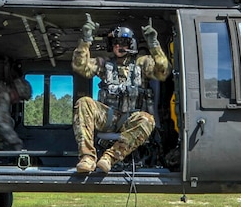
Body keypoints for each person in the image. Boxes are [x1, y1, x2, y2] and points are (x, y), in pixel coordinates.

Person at [71, 16, 169, 174]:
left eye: (123, 43)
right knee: (84, 102)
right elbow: (80, 65)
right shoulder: (104, 65)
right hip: (108, 117)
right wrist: (85, 40)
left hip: (131, 119)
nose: (118, 46)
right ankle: (88, 158)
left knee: (147, 120)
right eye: (115, 43)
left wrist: (154, 45)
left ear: (131, 44)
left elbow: (163, 70)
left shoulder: (142, 64)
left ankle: (109, 158)